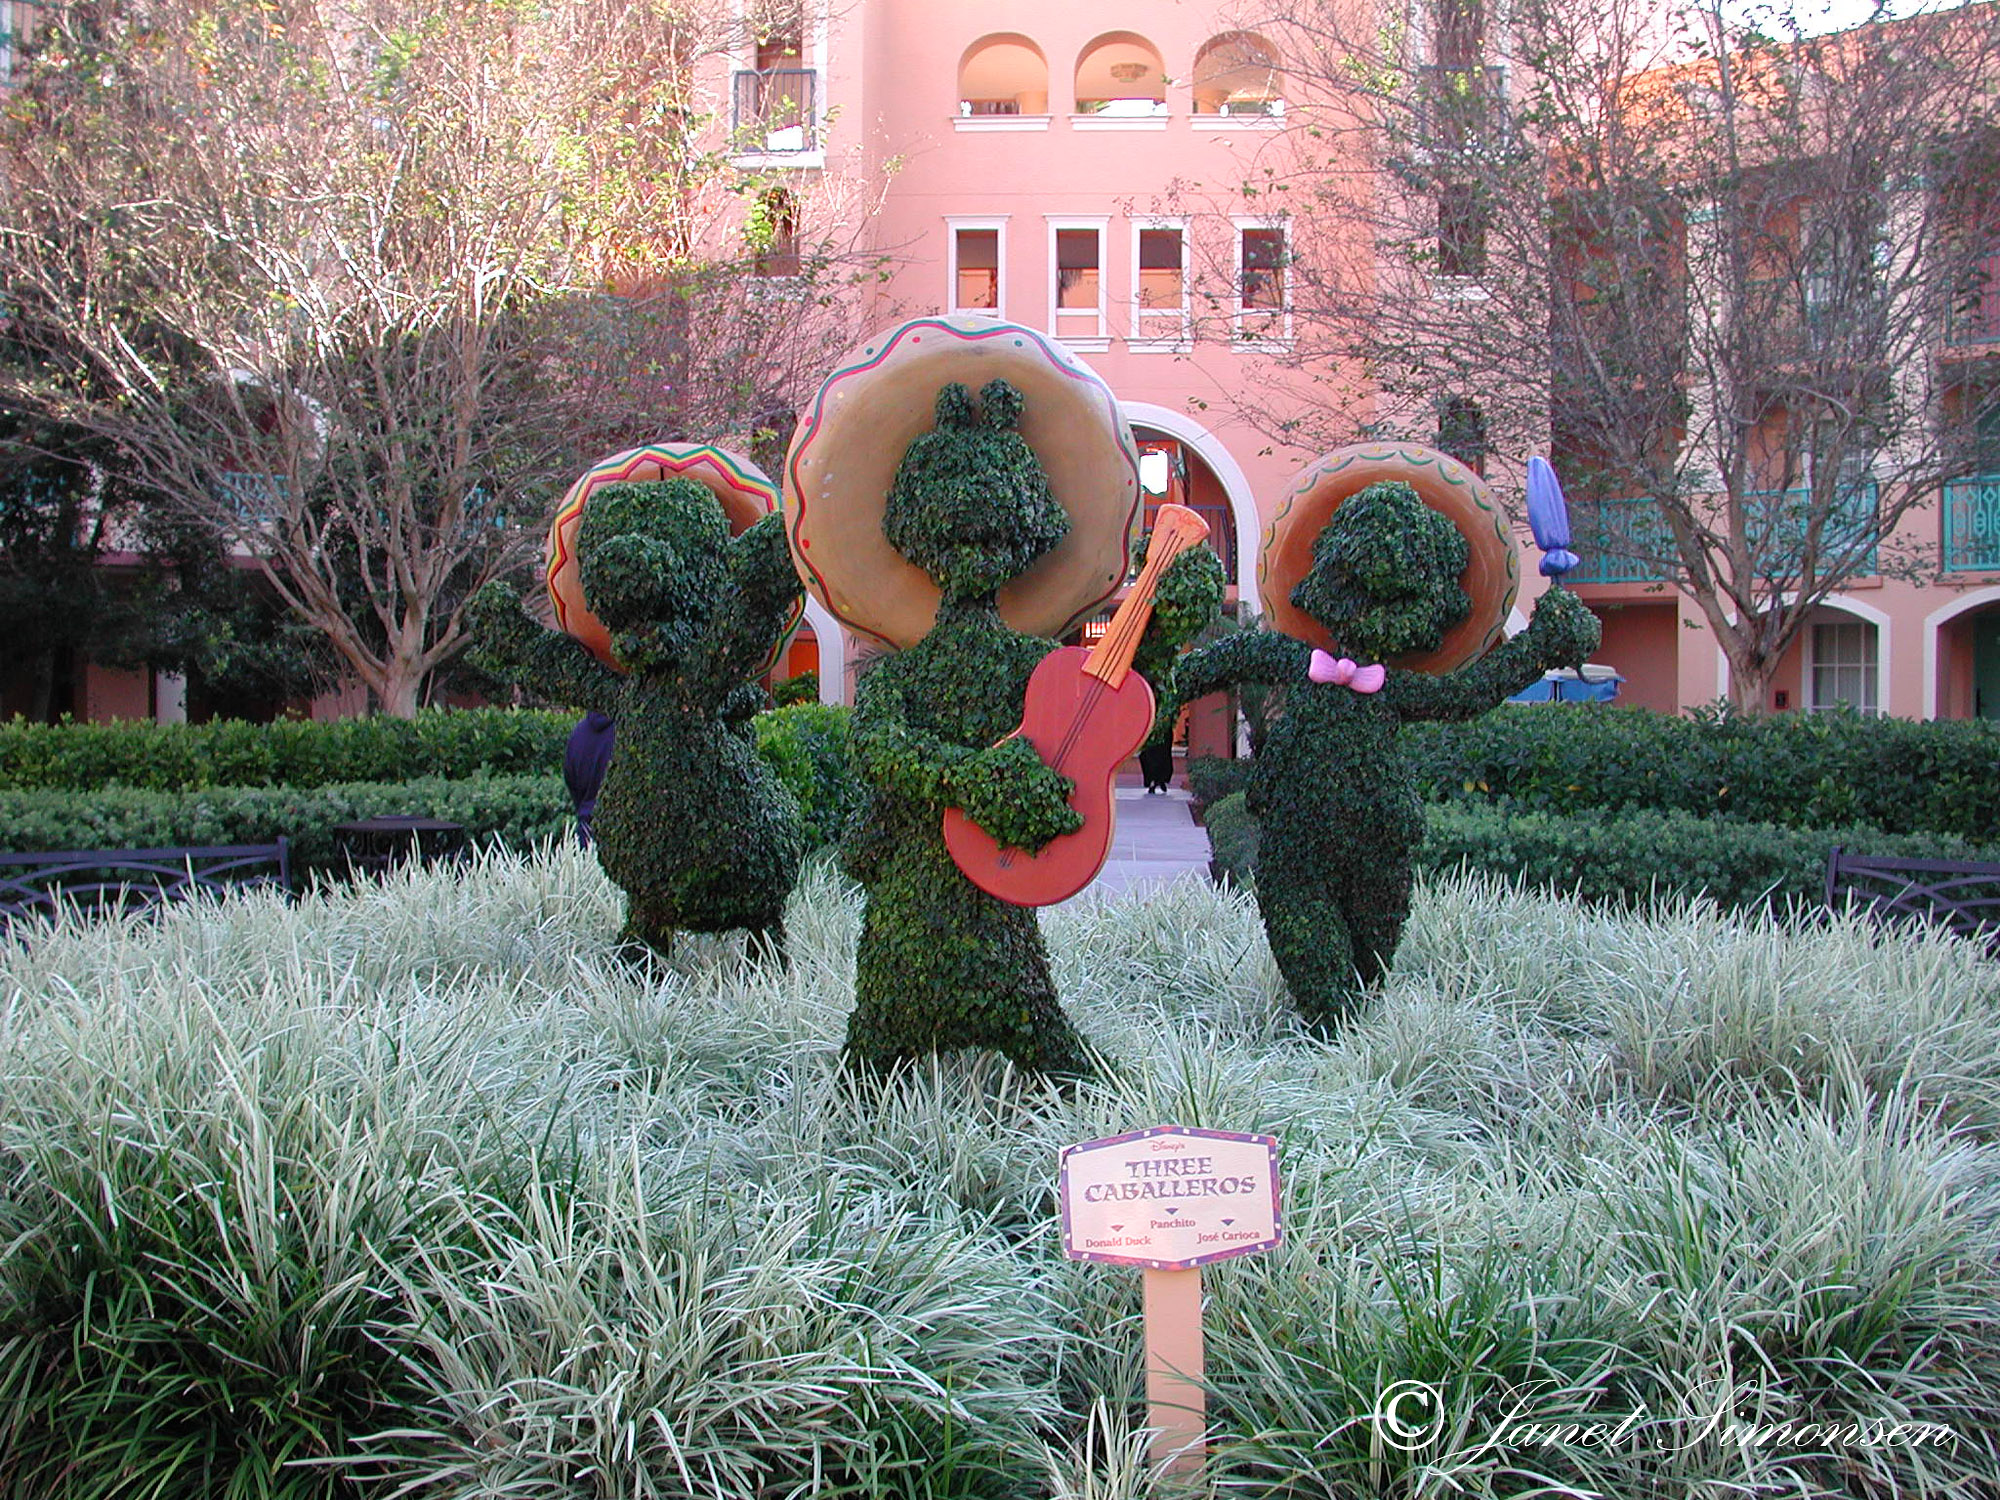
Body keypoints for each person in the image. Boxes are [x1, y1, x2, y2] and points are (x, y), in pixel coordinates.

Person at [562, 709, 615, 845]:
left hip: (586, 829)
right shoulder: (627, 734)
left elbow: (571, 780)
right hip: (620, 832)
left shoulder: (578, 734)